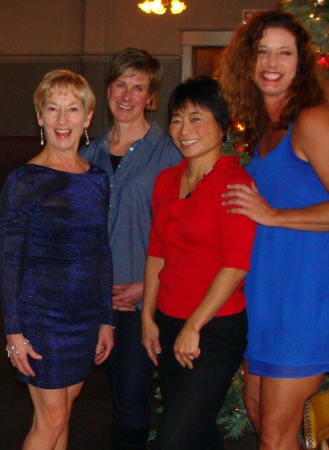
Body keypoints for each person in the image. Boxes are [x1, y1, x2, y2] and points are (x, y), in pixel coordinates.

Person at [219, 10, 329, 450]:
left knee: (275, 436)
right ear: (247, 60)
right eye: (263, 51)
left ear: (301, 64)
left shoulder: (312, 120)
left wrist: (275, 216)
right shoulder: (264, 131)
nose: (271, 62)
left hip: (303, 303)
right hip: (266, 301)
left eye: (285, 53)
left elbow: (272, 214)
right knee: (260, 415)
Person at [0, 69, 114, 450]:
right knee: (52, 419)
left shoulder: (97, 179)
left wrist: (106, 319)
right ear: (39, 116)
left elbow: (101, 252)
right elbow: (9, 260)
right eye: (53, 108)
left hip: (84, 316)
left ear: (88, 117)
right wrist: (13, 332)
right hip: (41, 316)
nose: (63, 120)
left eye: (73, 109)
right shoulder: (24, 180)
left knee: (63, 413)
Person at [140, 76, 257, 449]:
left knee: (173, 439)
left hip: (214, 329)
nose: (183, 129)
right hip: (168, 321)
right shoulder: (166, 181)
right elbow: (157, 252)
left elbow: (236, 266)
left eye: (196, 118)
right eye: (176, 119)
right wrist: (148, 317)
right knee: (199, 433)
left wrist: (194, 326)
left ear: (222, 126)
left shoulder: (235, 183)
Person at [79, 47, 181, 450]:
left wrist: (148, 286)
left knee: (134, 395)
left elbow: (184, 234)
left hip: (145, 298)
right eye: (120, 85)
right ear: (107, 89)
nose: (127, 95)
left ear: (150, 96)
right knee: (114, 390)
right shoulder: (88, 155)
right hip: (98, 298)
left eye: (138, 88)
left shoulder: (170, 154)